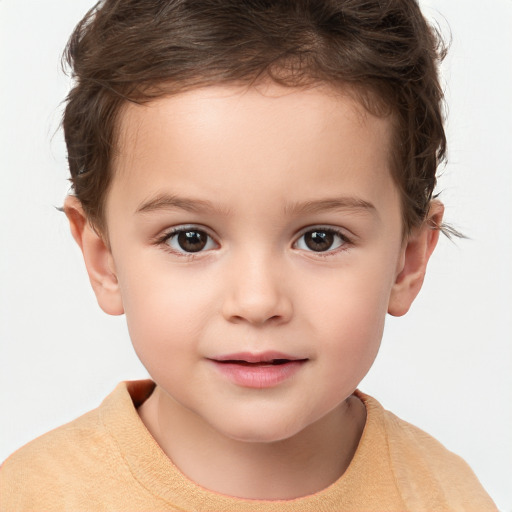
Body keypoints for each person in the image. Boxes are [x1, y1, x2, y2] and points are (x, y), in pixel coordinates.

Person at [0, 0, 498, 510]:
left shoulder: (447, 499)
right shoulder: (30, 496)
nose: (258, 302)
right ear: (103, 257)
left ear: (407, 260)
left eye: (320, 238)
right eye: (190, 238)